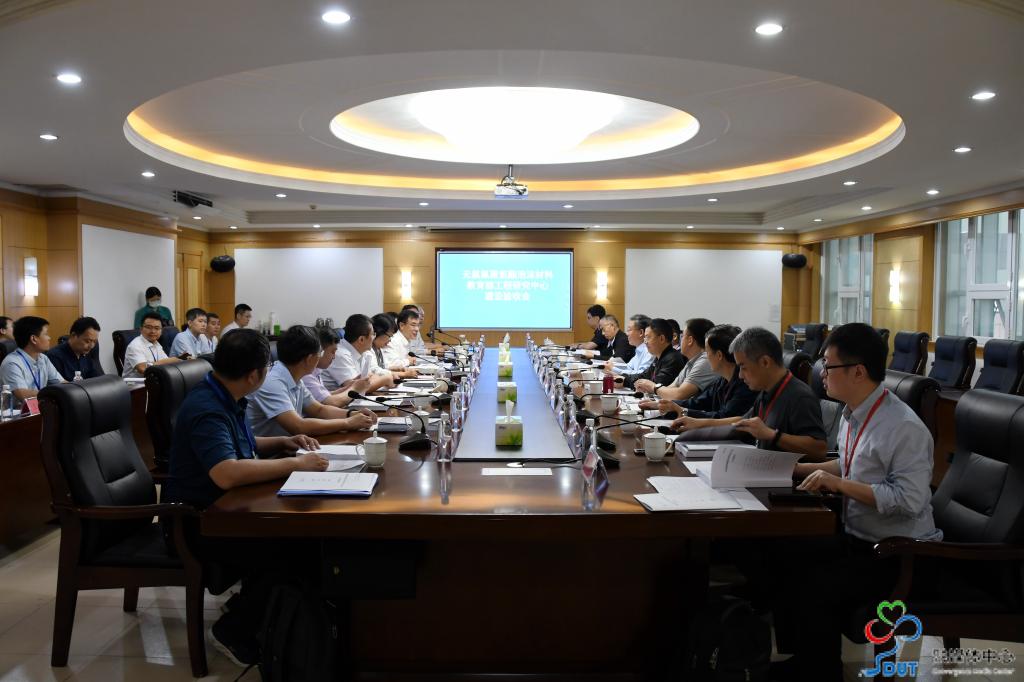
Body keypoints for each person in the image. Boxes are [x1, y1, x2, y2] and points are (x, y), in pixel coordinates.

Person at [765, 323, 941, 681]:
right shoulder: (853, 412)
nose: (821, 374)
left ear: (858, 371)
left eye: (828, 366)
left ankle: (820, 671)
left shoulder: (903, 427)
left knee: (816, 583)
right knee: (782, 554)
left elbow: (907, 500)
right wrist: (795, 469)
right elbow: (848, 465)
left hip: (899, 554)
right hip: (858, 538)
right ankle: (806, 660)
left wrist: (838, 484)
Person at [161, 328, 329, 666]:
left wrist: (283, 442)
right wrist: (294, 464)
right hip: (196, 522)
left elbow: (242, 447)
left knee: (300, 538)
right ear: (254, 375)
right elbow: (226, 472)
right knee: (292, 548)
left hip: (225, 509)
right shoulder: (208, 408)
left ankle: (249, 606)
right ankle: (233, 631)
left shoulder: (224, 394)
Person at [671, 327, 827, 459]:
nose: (740, 375)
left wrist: (772, 435)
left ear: (765, 362)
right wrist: (696, 425)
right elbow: (742, 423)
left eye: (743, 367)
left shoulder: (799, 396)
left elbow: (819, 449)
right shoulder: (766, 391)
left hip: (787, 481)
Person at [246, 325, 376, 438]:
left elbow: (319, 410)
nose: (321, 357)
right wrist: (348, 423)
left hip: (290, 445)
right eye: (320, 353)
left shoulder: (295, 377)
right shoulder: (273, 382)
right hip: (269, 454)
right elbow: (298, 426)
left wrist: (352, 414)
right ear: (309, 359)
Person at [664, 324, 758, 423]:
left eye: (707, 351)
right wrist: (668, 404)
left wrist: (685, 412)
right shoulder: (722, 380)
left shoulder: (745, 383)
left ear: (719, 355)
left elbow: (725, 417)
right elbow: (698, 402)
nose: (706, 356)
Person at [636, 318, 717, 403]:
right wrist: (655, 402)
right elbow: (670, 389)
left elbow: (679, 394)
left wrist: (653, 387)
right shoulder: (692, 361)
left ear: (690, 340)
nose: (680, 340)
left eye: (682, 336)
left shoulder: (705, 361)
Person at [0, 316, 64, 406]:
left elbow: (61, 383)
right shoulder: (11, 363)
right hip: (17, 413)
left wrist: (72, 389)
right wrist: (55, 393)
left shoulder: (43, 358)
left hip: (40, 408)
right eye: (46, 334)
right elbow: (23, 394)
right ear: (34, 339)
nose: (49, 338)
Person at [321, 314, 392, 393]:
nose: (374, 337)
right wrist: (385, 379)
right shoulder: (340, 354)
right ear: (361, 339)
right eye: (373, 334)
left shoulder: (363, 352)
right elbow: (356, 388)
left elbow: (370, 377)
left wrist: (378, 379)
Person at [615, 318, 686, 390]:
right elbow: (644, 375)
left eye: (648, 337)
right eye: (645, 337)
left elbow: (655, 385)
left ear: (661, 338)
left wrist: (625, 381)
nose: (645, 342)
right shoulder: (660, 356)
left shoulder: (673, 359)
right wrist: (623, 378)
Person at [301, 326, 362, 408]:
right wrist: (355, 388)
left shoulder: (316, 370)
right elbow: (330, 402)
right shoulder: (306, 375)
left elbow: (325, 396)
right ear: (320, 351)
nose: (334, 357)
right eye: (332, 352)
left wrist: (350, 386)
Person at [123, 311, 185, 378]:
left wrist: (179, 359)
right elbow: (143, 369)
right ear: (141, 329)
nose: (153, 331)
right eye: (149, 327)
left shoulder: (156, 344)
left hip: (154, 380)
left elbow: (166, 364)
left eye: (157, 328)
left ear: (161, 331)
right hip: (135, 383)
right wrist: (171, 360)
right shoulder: (135, 345)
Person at [46, 316, 104, 381]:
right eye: (87, 341)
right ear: (73, 335)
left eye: (94, 341)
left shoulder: (87, 354)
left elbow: (96, 379)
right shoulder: (55, 357)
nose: (92, 346)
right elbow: (58, 385)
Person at [369, 313, 416, 381]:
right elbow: (376, 371)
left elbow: (384, 366)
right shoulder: (368, 349)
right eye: (389, 336)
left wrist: (399, 369)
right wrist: (404, 374)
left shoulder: (379, 348)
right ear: (379, 332)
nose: (390, 340)